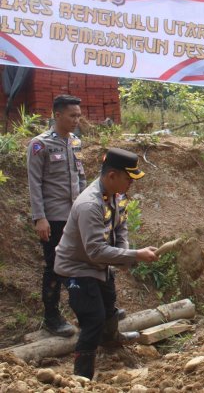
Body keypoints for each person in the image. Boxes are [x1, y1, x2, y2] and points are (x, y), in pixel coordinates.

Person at [55, 149, 159, 379]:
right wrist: (134, 255)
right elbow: (94, 251)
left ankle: (111, 341)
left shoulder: (116, 195)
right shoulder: (90, 204)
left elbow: (120, 227)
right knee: (93, 319)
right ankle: (82, 377)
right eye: (128, 178)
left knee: (109, 307)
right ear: (112, 175)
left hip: (100, 265)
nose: (131, 182)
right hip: (78, 268)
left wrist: (123, 253)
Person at [26, 94, 86, 337]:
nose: (76, 120)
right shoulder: (40, 144)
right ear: (57, 115)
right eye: (72, 115)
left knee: (81, 264)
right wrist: (39, 217)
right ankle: (52, 317)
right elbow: (35, 183)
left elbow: (80, 178)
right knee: (54, 267)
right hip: (53, 218)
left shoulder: (75, 142)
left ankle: (88, 312)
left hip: (74, 216)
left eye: (78, 116)